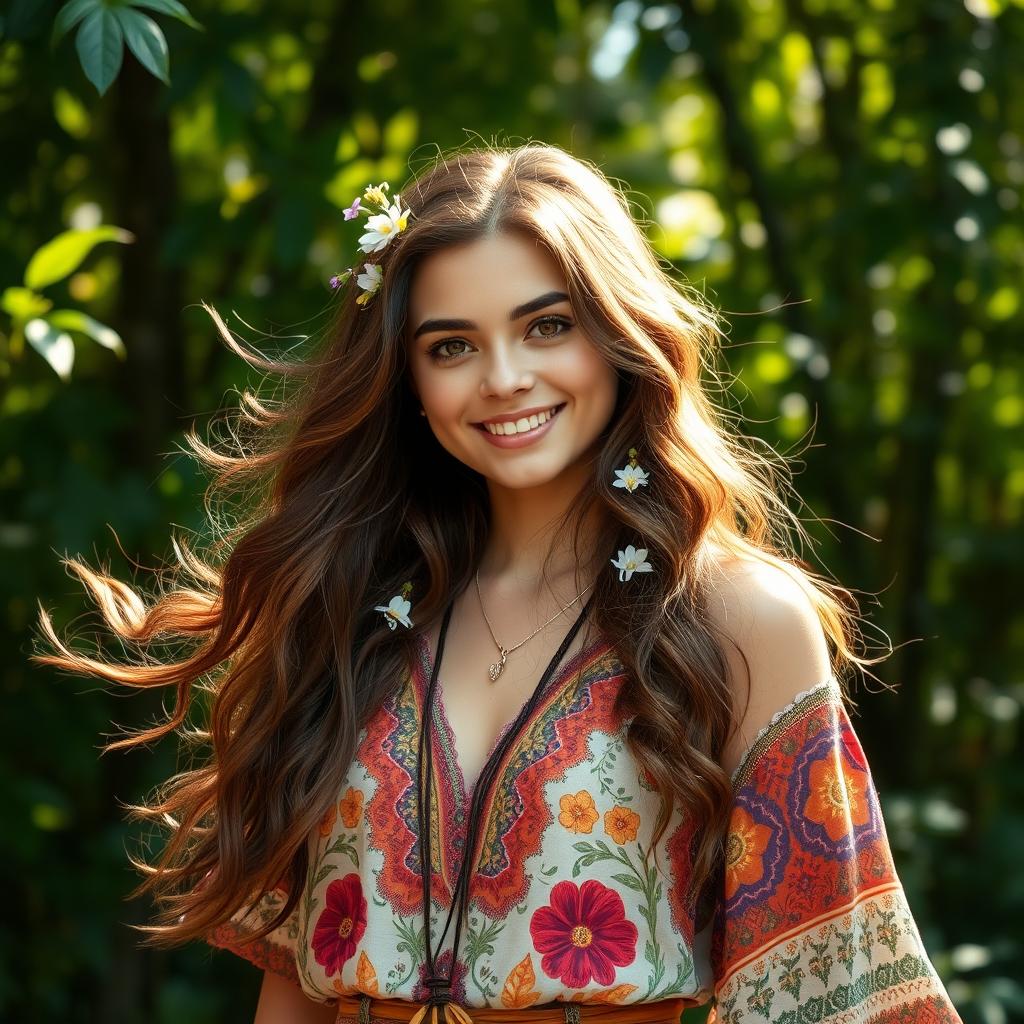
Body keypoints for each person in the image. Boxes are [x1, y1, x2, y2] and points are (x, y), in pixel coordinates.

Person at [33, 143, 964, 1024]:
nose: (505, 378)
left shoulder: (737, 618)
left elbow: (828, 993)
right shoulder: (356, 606)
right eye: (451, 346)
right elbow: (296, 988)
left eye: (547, 326)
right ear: (407, 378)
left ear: (618, 335)